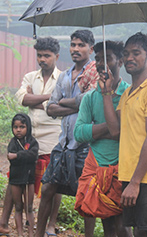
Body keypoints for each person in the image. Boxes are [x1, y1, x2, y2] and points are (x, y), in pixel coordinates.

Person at [0, 37, 62, 237]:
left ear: (56, 57)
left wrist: (38, 100)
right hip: (27, 139)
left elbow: (59, 107)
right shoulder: (30, 76)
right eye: (39, 55)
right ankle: (3, 224)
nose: (42, 59)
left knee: (53, 184)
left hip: (52, 140)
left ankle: (50, 225)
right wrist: (48, 98)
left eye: (47, 56)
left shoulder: (63, 79)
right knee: (14, 180)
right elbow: (22, 98)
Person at [99, 32, 147, 237]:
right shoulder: (129, 93)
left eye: (136, 53)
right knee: (140, 231)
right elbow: (115, 130)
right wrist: (106, 93)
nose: (129, 58)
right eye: (127, 53)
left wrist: (135, 182)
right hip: (130, 175)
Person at [35, 29, 96, 237]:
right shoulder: (65, 75)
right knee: (47, 189)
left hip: (85, 146)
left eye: (81, 45)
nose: (76, 49)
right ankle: (37, 234)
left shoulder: (95, 73)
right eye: (73, 44)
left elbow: (89, 101)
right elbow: (50, 108)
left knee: (87, 196)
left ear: (91, 48)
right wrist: (76, 106)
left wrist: (67, 102)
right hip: (64, 144)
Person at [74, 41, 133, 237]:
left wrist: (100, 131)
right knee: (107, 226)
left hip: (122, 166)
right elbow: (79, 132)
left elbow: (129, 133)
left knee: (123, 227)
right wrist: (111, 127)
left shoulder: (130, 94)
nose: (101, 63)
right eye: (98, 58)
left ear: (121, 61)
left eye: (107, 58)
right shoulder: (90, 97)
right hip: (97, 165)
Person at [8, 113, 39, 237]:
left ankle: (31, 233)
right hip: (15, 179)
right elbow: (10, 157)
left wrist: (17, 155)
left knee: (29, 207)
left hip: (28, 179)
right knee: (18, 207)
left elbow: (33, 155)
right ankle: (20, 234)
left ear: (28, 127)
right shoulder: (12, 142)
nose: (18, 130)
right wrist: (21, 156)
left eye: (22, 127)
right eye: (16, 127)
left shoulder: (32, 142)